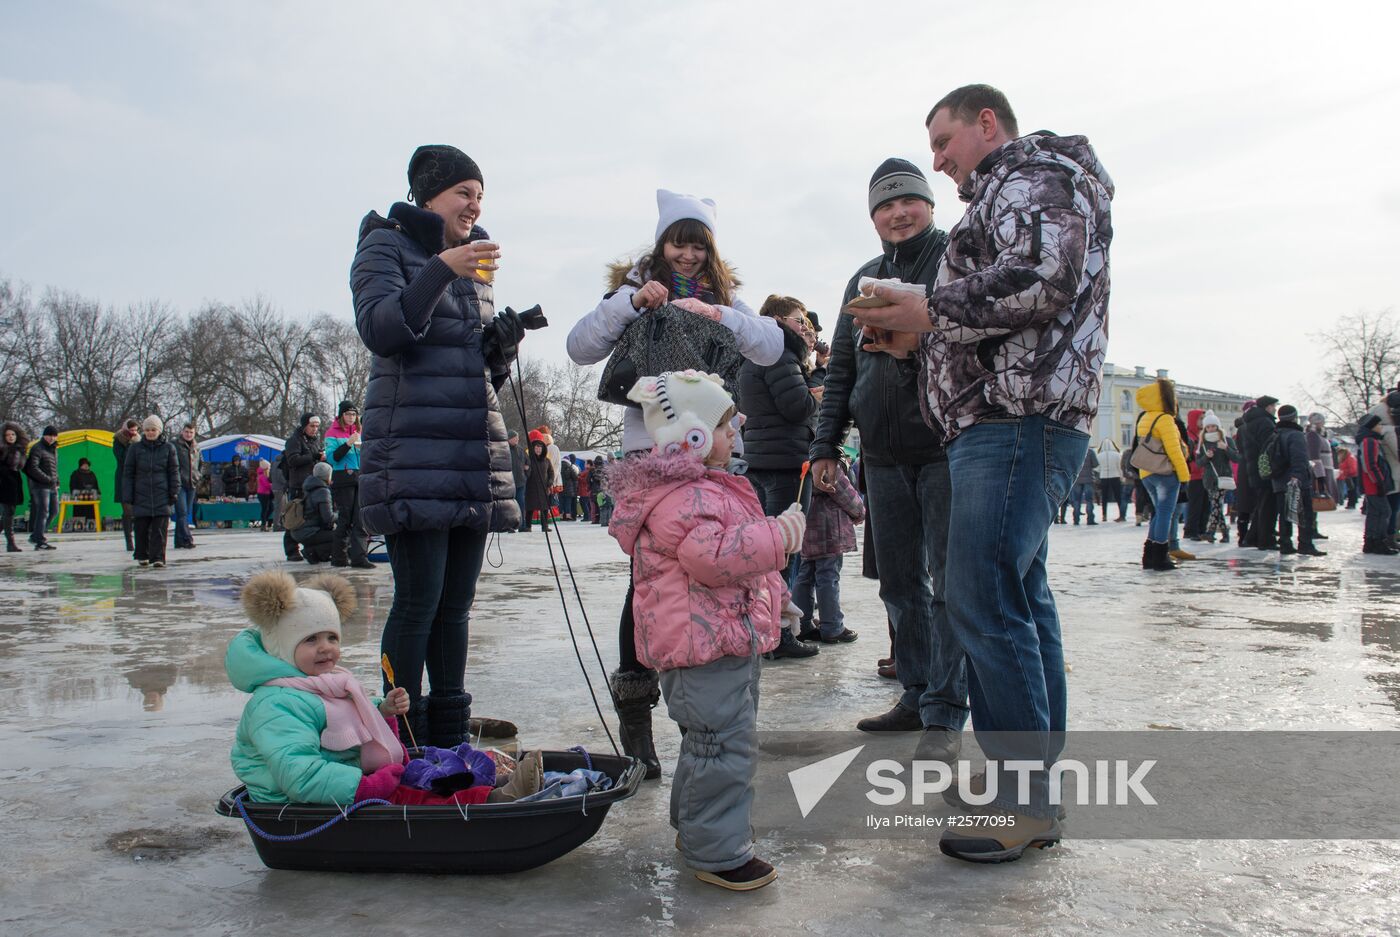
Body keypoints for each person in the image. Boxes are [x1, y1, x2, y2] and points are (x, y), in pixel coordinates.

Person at [855, 84, 1112, 861]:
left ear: (987, 123)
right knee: (1018, 600)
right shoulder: (1012, 190)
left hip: (1016, 419)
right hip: (1002, 417)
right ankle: (1034, 791)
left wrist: (927, 307)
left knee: (981, 598)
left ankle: (1024, 799)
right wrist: (917, 341)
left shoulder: (1034, 178)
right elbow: (1005, 308)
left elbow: (1042, 277)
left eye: (943, 143)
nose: (938, 161)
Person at [566, 188, 783, 779]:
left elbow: (770, 346)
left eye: (696, 246)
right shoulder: (632, 291)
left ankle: (706, 717)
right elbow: (579, 346)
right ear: (660, 244)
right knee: (653, 587)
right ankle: (637, 718)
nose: (686, 256)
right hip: (652, 465)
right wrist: (631, 303)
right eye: (677, 243)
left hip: (717, 461)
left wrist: (722, 315)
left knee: (719, 580)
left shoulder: (725, 298)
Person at [352, 143, 525, 748]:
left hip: (467, 452)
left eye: (480, 195)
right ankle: (401, 732)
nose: (475, 205)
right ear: (430, 195)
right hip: (412, 452)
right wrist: (441, 269)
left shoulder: (473, 268)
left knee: (456, 605)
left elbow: (471, 374)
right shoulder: (385, 244)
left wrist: (500, 349)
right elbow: (383, 330)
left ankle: (448, 733)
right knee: (418, 600)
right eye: (463, 193)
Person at [607, 370, 798, 892]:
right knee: (724, 748)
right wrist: (779, 535)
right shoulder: (687, 497)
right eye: (723, 423)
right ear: (690, 437)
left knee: (707, 743)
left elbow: (739, 569)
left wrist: (778, 600)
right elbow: (714, 558)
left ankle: (695, 829)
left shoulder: (705, 489)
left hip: (718, 639)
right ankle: (717, 852)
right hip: (704, 648)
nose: (735, 429)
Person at [810, 157, 966, 747]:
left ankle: (947, 708)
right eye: (884, 204)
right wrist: (826, 444)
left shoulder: (954, 260)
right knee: (899, 582)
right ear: (873, 216)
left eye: (909, 201)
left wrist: (913, 345)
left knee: (950, 583)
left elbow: (973, 348)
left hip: (946, 447)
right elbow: (842, 368)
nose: (898, 213)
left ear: (929, 203)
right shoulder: (864, 278)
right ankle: (916, 690)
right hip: (880, 454)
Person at [227, 570, 543, 806]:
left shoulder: (322, 682)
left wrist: (382, 709)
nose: (326, 649)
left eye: (332, 638)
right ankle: (493, 801)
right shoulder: (276, 704)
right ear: (282, 648)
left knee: (419, 775)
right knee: (410, 798)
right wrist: (370, 786)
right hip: (302, 802)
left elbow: (345, 719)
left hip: (344, 777)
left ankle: (486, 786)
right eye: (311, 640)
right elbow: (301, 777)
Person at [739, 294, 820, 661]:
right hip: (788, 462)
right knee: (785, 550)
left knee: (767, 551)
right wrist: (817, 391)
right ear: (776, 319)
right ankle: (781, 633)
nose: (805, 327)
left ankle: (765, 627)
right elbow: (796, 406)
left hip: (760, 460)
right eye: (798, 320)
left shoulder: (752, 355)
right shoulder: (780, 354)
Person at [792, 456, 862, 644]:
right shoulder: (825, 460)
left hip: (807, 522)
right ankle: (832, 626)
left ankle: (801, 624)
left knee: (805, 574)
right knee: (829, 575)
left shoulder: (801, 458)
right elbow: (843, 491)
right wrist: (860, 511)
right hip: (830, 525)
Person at [1133, 380, 1190, 570]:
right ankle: (1160, 557)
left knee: (1159, 513)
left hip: (1147, 472)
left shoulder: (1145, 417)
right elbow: (1174, 451)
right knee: (1166, 513)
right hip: (1165, 472)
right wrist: (1184, 476)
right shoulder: (1165, 420)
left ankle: (1149, 555)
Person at [122, 416, 179, 568]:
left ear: (159, 431)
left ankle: (158, 557)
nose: (150, 433)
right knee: (141, 527)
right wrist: (127, 495)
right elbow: (128, 473)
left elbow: (174, 471)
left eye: (153, 430)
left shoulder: (169, 448)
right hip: (141, 493)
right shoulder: (135, 449)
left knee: (159, 529)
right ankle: (142, 554)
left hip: (162, 493)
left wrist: (174, 491)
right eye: (147, 430)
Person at [324, 400, 372, 568]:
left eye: (353, 414)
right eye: (348, 414)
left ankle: (359, 557)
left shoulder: (359, 431)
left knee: (360, 519)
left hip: (360, 477)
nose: (351, 417)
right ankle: (338, 557)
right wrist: (348, 443)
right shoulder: (332, 433)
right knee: (345, 519)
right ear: (341, 415)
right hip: (343, 478)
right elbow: (332, 458)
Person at [1272, 405, 1324, 556]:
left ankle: (1285, 543)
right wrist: (1299, 477)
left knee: (1284, 514)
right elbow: (1300, 459)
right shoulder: (1296, 435)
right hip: (1296, 480)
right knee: (1304, 513)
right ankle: (1305, 544)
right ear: (1294, 417)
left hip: (1279, 480)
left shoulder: (1275, 433)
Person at [281, 413, 324, 562]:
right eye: (312, 426)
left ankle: (310, 548)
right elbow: (292, 460)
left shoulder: (314, 441)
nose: (315, 429)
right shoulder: (294, 441)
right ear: (304, 425)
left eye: (317, 426)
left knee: (311, 519)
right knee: (295, 517)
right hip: (298, 485)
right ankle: (291, 550)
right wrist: (315, 456)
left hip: (312, 485)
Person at [1240, 396, 1280, 550]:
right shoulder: (1264, 422)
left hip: (1255, 468)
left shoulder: (1250, 421)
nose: (1275, 409)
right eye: (1273, 406)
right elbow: (1269, 446)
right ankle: (1265, 539)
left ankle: (1252, 537)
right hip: (1264, 469)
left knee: (1262, 504)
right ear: (1267, 407)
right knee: (1267, 506)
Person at [1196, 412, 1237, 543]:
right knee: (1216, 506)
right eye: (1208, 427)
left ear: (1218, 427)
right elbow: (1198, 463)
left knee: (1216, 504)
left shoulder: (1226, 440)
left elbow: (1236, 458)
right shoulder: (1202, 443)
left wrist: (1226, 449)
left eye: (1214, 426)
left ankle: (1210, 531)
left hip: (1223, 478)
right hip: (1209, 479)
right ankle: (1225, 533)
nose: (1211, 429)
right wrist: (1206, 457)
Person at [1357, 416, 1396, 553]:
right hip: (1374, 484)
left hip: (1372, 484)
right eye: (1379, 424)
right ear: (1373, 426)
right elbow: (1370, 464)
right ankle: (1378, 542)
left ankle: (1371, 542)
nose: (1381, 427)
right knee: (1384, 511)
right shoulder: (1370, 441)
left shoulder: (1369, 440)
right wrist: (1379, 482)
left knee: (1375, 513)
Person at [292, 461, 337, 564]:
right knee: (342, 536)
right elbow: (328, 517)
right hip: (309, 532)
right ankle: (313, 552)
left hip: (301, 530)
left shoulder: (309, 487)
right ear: (328, 475)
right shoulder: (322, 491)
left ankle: (315, 552)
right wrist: (341, 515)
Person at [24, 425, 60, 550]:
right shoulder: (37, 448)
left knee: (54, 510)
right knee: (43, 511)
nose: (52, 438)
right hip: (40, 486)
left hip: (52, 486)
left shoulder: (53, 449)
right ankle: (39, 539)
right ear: (44, 435)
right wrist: (47, 479)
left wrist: (56, 480)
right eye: (50, 435)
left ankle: (36, 535)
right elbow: (33, 468)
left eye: (54, 435)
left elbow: (54, 467)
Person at [171, 423, 201, 549]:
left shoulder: (196, 447)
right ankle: (187, 538)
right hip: (180, 484)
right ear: (182, 432)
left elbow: (201, 463)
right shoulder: (175, 445)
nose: (188, 434)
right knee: (182, 512)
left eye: (191, 432)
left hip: (192, 483)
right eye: (186, 432)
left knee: (185, 512)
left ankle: (178, 541)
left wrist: (198, 475)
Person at [112, 419, 139, 551]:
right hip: (123, 478)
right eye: (131, 430)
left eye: (135, 430)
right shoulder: (118, 440)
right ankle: (128, 540)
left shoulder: (139, 440)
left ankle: (139, 537)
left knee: (137, 510)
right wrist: (129, 444)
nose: (134, 433)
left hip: (137, 479)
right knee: (127, 510)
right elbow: (122, 458)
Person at [0, 423, 28, 552]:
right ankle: (10, 543)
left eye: (13, 434)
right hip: (4, 482)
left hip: (15, 481)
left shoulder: (20, 449)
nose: (10, 437)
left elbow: (24, 467)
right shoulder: (2, 449)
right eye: (7, 435)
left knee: (9, 513)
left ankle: (10, 543)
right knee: (8, 513)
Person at [523, 431, 555, 532]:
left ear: (543, 449)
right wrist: (526, 469)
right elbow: (524, 472)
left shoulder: (546, 461)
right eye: (536, 448)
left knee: (544, 508)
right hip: (531, 487)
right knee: (530, 508)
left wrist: (550, 482)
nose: (538, 450)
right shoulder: (529, 460)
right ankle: (528, 526)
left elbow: (551, 472)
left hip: (543, 487)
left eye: (540, 448)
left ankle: (544, 526)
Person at [1096, 438, 1127, 522]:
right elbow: (1120, 467)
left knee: (1104, 497)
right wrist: (1122, 477)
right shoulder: (1117, 455)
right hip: (1115, 476)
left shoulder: (1099, 455)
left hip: (1103, 477)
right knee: (1118, 496)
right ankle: (1121, 514)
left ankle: (1104, 515)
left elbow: (1097, 468)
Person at [1068, 449, 1099, 525]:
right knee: (1089, 500)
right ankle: (1090, 519)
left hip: (1077, 479)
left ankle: (1076, 519)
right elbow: (1095, 464)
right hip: (1088, 479)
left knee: (1076, 500)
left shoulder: (1073, 451)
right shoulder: (1090, 452)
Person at [508, 431, 527, 523]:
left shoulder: (520, 449)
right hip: (509, 482)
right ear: (509, 438)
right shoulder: (505, 449)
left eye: (518, 438)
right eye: (515, 438)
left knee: (521, 503)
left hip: (521, 481)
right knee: (510, 505)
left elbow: (528, 463)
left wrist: (526, 473)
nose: (517, 439)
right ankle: (510, 524)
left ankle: (522, 524)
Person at [253, 458, 275, 531]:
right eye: (268, 467)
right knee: (265, 509)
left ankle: (264, 521)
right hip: (263, 494)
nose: (269, 468)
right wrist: (273, 484)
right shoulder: (263, 476)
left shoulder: (264, 474)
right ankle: (263, 524)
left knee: (270, 508)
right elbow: (267, 485)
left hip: (266, 494)